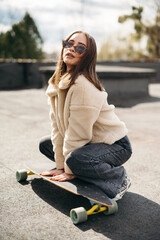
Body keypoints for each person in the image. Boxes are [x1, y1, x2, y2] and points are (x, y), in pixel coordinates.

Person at [39, 30, 132, 200]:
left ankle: (118, 177)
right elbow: (57, 128)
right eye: (68, 44)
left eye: (80, 48)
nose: (72, 49)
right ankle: (84, 169)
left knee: (76, 160)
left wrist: (69, 168)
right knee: (45, 144)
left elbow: (78, 133)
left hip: (116, 145)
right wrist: (60, 166)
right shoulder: (57, 84)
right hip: (90, 142)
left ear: (87, 56)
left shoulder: (83, 86)